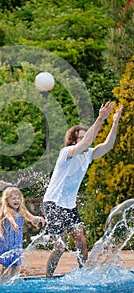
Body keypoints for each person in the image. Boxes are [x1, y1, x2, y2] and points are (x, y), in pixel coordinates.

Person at [42, 101, 123, 278]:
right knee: (60, 246)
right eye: (82, 138)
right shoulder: (67, 152)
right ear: (73, 140)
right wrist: (101, 118)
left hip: (69, 206)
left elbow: (108, 145)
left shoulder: (87, 155)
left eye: (86, 137)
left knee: (81, 241)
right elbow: (88, 141)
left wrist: (114, 122)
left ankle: (83, 276)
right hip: (53, 203)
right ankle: (47, 277)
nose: (87, 140)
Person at [0, 187, 45, 279]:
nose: (16, 200)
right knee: (6, 266)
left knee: (16, 265)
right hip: (7, 243)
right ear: (7, 200)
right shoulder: (6, 210)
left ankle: (12, 283)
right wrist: (13, 223)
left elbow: (31, 217)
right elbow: (9, 217)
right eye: (13, 198)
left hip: (16, 243)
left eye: (18, 198)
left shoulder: (21, 211)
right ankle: (1, 283)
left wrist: (38, 219)